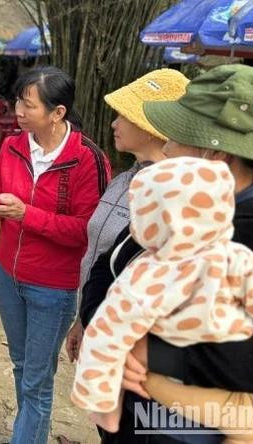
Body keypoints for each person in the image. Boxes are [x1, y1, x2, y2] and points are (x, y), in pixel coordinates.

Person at [80, 64, 253, 443]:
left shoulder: (249, 233)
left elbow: (248, 359)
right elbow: (115, 261)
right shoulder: (194, 211)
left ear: (216, 155)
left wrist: (147, 352)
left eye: (176, 138)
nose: (165, 148)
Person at [0, 66, 111, 444]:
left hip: (53, 288)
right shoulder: (12, 146)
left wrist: (25, 214)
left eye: (27, 104)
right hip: (7, 274)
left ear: (58, 112)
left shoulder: (87, 160)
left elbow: (86, 231)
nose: (18, 109)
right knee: (22, 367)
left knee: (36, 379)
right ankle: (29, 433)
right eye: (17, 100)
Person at [65, 69, 189, 362]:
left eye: (123, 116)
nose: (113, 123)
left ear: (149, 127)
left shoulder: (171, 194)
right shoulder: (122, 181)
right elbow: (100, 258)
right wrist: (83, 318)